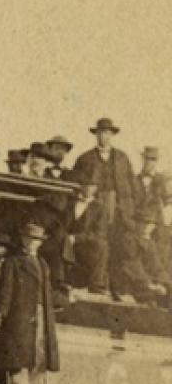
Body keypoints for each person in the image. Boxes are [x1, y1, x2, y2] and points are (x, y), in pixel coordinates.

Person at [70, 118, 146, 295]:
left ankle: (118, 286)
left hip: (119, 208)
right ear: (96, 135)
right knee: (98, 241)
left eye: (107, 133)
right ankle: (97, 283)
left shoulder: (122, 157)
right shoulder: (85, 158)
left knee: (119, 244)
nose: (104, 136)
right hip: (95, 206)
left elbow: (133, 185)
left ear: (112, 135)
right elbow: (75, 184)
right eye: (100, 133)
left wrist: (132, 210)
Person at [0, 219, 58, 384]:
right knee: (19, 360)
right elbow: (5, 292)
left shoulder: (43, 264)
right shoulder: (13, 263)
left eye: (36, 240)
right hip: (19, 316)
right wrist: (0, 314)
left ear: (40, 242)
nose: (31, 243)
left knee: (39, 357)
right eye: (28, 239)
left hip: (40, 314)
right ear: (22, 240)